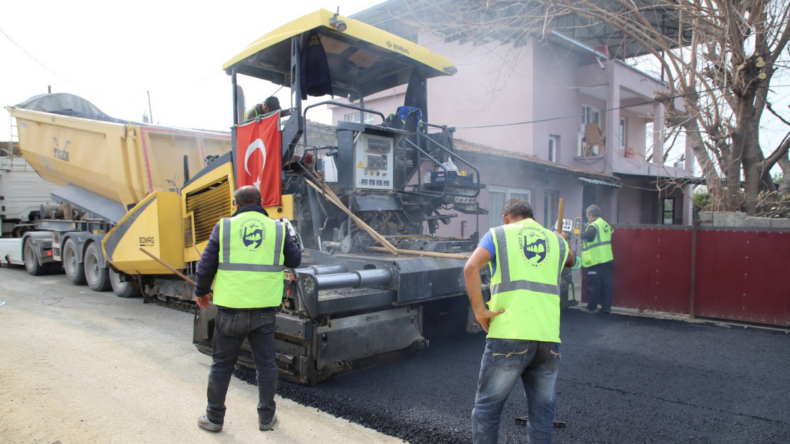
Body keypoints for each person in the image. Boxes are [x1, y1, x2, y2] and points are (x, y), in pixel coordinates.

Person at [464, 199, 575, 444]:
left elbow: (471, 267)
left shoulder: (497, 234)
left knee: (487, 410)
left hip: (509, 336)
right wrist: (561, 239)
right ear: (532, 217)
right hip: (548, 339)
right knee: (542, 415)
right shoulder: (555, 240)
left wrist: (480, 312)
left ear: (505, 216)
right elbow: (571, 260)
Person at [194, 185, 301, 433]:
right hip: (264, 311)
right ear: (262, 203)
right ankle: (266, 419)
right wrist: (291, 237)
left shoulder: (225, 226)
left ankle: (214, 419)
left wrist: (202, 292)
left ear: (236, 205)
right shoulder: (278, 228)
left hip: (231, 311)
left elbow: (205, 264)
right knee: (266, 366)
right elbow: (295, 261)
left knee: (221, 365)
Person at [579, 204, 614, 314]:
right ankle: (606, 308)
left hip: (596, 260)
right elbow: (599, 239)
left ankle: (592, 307)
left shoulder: (594, 225)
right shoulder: (605, 224)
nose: (587, 217)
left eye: (587, 215)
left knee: (593, 284)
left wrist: (581, 235)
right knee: (606, 284)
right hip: (607, 259)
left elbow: (590, 235)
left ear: (591, 215)